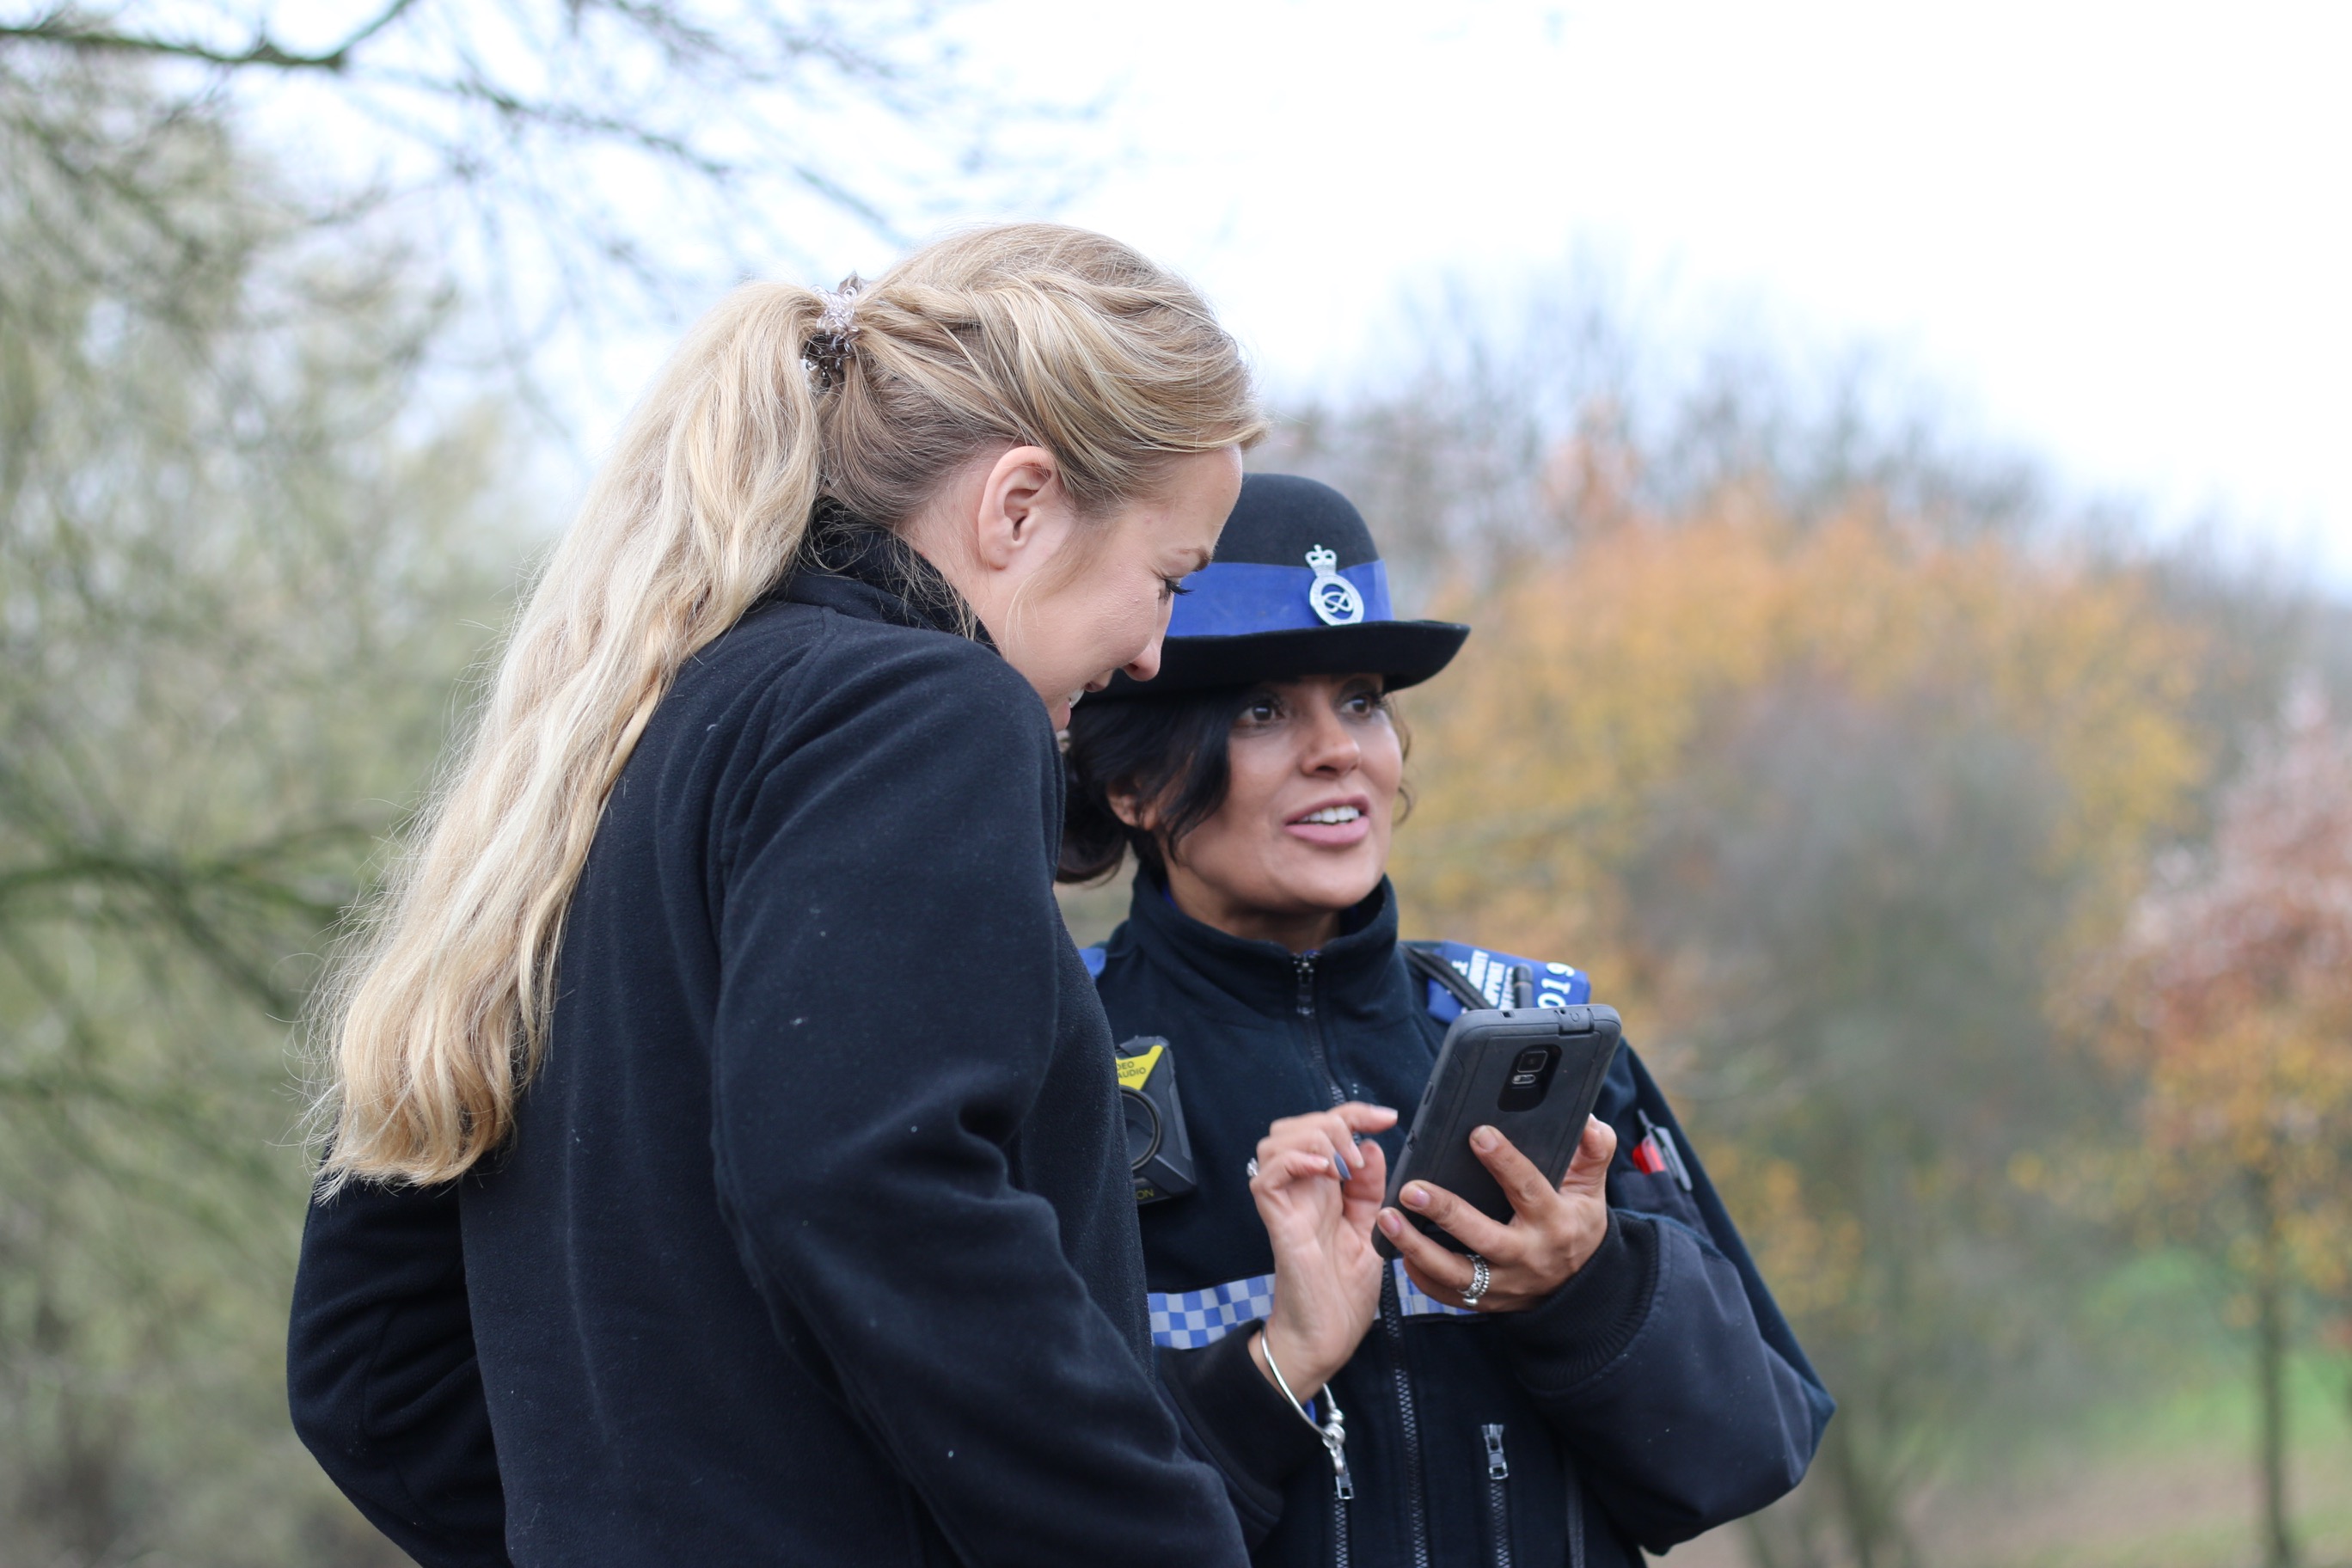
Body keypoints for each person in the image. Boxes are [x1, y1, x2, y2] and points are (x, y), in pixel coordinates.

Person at [288, 224, 1274, 1567]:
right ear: (1020, 506)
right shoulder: (925, 712)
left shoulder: (610, 742)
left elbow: (370, 1369)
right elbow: (867, 1182)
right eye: (1167, 580)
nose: (1155, 654)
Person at [1060, 474, 1834, 1568]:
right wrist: (1277, 1366)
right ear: (1132, 784)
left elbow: (1747, 1455)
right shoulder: (1061, 1064)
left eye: (1362, 700)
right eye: (1261, 709)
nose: (1339, 750)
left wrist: (1584, 1286)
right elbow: (1019, 1511)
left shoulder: (1546, 1038)